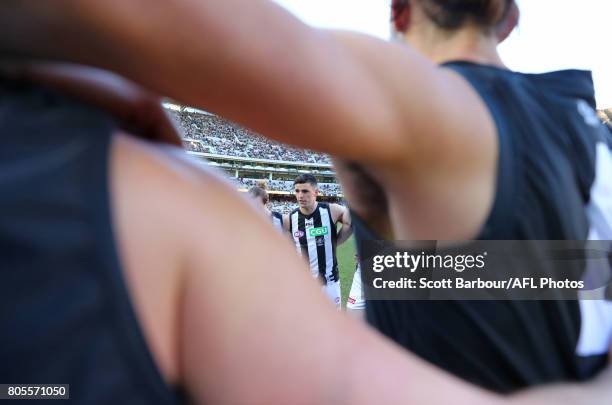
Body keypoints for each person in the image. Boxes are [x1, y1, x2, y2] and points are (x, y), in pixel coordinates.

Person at [4, 0, 612, 402]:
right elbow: (542, 270)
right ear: (506, 19)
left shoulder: (438, 108)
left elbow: (159, 20)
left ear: (400, 13)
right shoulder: (585, 126)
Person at [284, 174, 352, 307]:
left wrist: (335, 242)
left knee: (333, 324)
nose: (300, 195)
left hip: (330, 284)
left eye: (305, 191)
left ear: (316, 192)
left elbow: (350, 222)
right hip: (304, 285)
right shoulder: (290, 219)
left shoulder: (330, 210)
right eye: (297, 191)